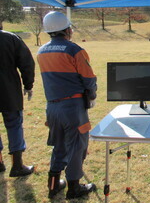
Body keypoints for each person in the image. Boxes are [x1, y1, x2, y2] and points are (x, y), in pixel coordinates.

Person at [37, 11, 97, 199]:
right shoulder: (74, 50)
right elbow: (88, 78)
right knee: (76, 146)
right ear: (67, 29)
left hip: (52, 107)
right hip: (72, 107)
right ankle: (74, 187)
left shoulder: (41, 51)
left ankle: (53, 185)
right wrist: (92, 95)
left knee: (59, 145)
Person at [0, 20, 35, 177]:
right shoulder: (11, 38)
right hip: (9, 91)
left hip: (9, 90)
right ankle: (17, 165)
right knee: (14, 125)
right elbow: (27, 64)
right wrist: (28, 85)